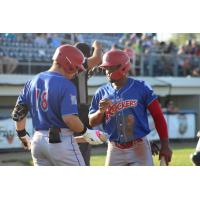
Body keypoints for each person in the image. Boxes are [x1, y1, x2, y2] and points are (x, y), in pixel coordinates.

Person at [11, 44, 106, 166]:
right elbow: (70, 119)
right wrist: (86, 132)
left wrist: (22, 135)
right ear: (68, 64)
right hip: (62, 142)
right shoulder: (66, 85)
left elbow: (18, 113)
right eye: (76, 68)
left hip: (37, 142)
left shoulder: (31, 81)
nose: (77, 71)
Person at [88, 49, 172, 166]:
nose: (107, 72)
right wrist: (100, 112)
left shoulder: (142, 87)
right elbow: (91, 122)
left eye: (110, 68)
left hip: (139, 147)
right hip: (114, 147)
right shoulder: (101, 92)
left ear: (123, 67)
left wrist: (165, 145)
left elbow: (158, 116)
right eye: (105, 68)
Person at [72, 41, 102, 166]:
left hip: (71, 112)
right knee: (82, 154)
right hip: (79, 112)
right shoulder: (77, 64)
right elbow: (97, 58)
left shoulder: (69, 68)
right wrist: (98, 46)